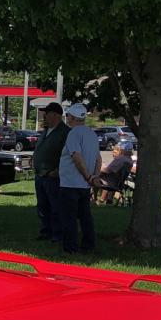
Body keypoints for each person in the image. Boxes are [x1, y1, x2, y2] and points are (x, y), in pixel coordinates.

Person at [56, 103, 101, 253]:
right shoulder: (92, 134)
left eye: (68, 115)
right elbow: (98, 159)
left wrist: (88, 176)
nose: (67, 118)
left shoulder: (73, 133)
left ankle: (71, 248)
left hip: (70, 183)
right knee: (85, 216)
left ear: (73, 117)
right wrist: (94, 177)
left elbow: (76, 156)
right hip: (85, 185)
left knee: (69, 217)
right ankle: (89, 244)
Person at [30, 102, 67, 242]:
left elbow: (68, 155)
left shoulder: (65, 132)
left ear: (56, 115)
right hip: (40, 175)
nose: (44, 116)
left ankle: (58, 234)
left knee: (56, 206)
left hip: (53, 176)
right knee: (42, 205)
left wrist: (58, 170)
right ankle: (46, 231)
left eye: (47, 113)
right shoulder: (46, 131)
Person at [95, 141, 133, 205]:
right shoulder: (129, 160)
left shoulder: (121, 159)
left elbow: (107, 170)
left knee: (92, 176)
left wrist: (98, 168)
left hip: (109, 183)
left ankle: (95, 200)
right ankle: (107, 200)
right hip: (117, 183)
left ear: (122, 150)